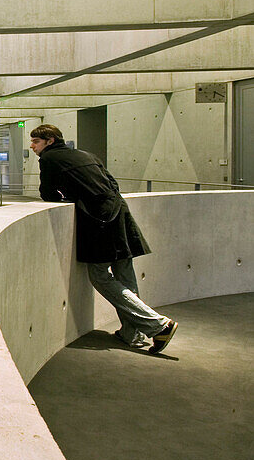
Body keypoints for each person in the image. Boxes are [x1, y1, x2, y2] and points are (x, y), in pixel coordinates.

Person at [29, 124, 178, 354]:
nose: (32, 147)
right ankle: (133, 335)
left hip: (98, 220)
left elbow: (47, 194)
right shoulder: (86, 154)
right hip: (119, 213)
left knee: (99, 275)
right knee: (124, 273)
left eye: (36, 142)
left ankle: (158, 325)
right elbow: (113, 184)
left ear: (49, 141)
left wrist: (68, 196)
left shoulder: (49, 159)